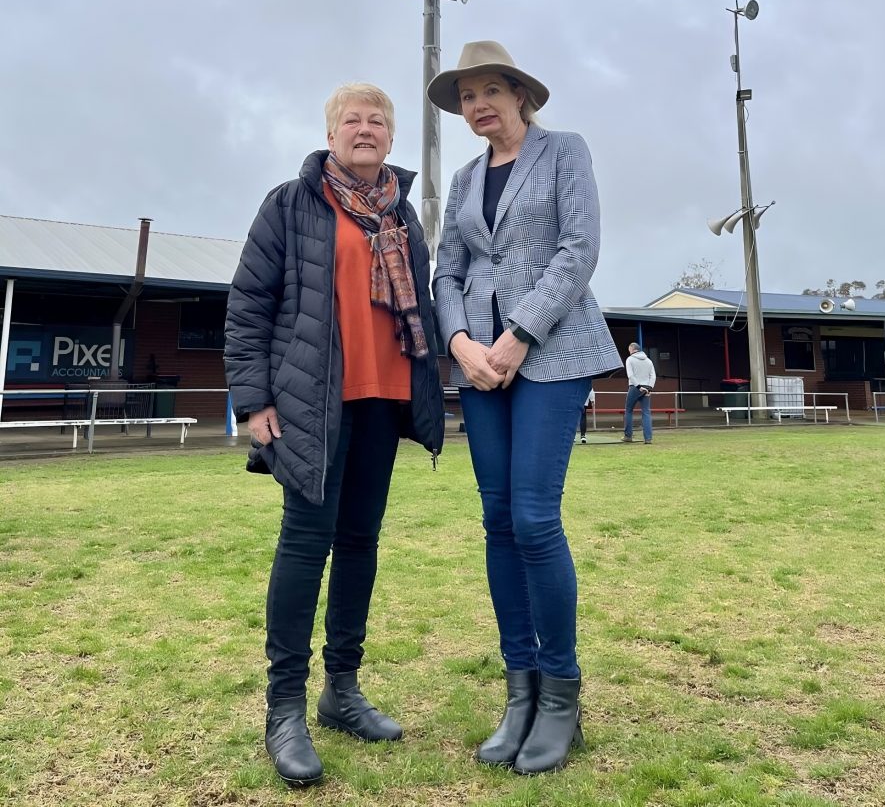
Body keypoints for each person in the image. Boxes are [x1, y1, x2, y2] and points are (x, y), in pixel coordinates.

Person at [224, 84, 445, 788]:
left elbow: (424, 307)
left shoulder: (402, 213)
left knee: (359, 544)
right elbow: (249, 303)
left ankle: (340, 689)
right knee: (303, 544)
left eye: (378, 120)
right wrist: (252, 399)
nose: (366, 128)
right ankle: (283, 707)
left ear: (390, 136)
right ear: (330, 131)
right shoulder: (290, 204)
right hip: (310, 407)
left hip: (383, 400)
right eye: (353, 119)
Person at [429, 41, 622, 775]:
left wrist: (518, 336)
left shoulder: (565, 152)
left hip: (552, 352)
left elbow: (579, 249)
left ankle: (562, 696)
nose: (477, 106)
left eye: (487, 92)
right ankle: (520, 693)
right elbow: (448, 269)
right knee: (498, 518)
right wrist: (459, 341)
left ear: (518, 95)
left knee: (536, 516)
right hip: (479, 365)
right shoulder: (462, 177)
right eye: (465, 97)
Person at [623, 341, 656, 444]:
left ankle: (628, 436)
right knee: (646, 412)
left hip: (635, 387)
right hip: (647, 387)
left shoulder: (630, 359)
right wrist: (649, 388)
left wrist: (638, 386)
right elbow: (653, 375)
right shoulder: (649, 361)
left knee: (628, 410)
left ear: (632, 349)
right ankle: (648, 438)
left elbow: (630, 376)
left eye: (629, 350)